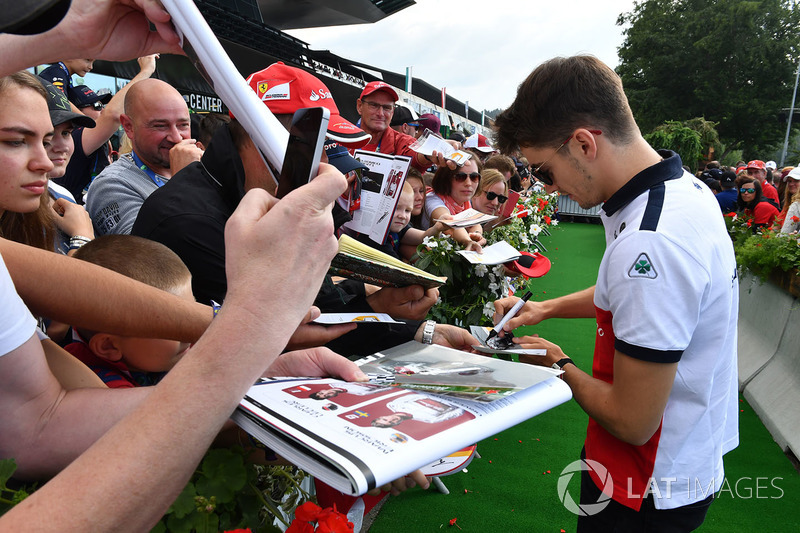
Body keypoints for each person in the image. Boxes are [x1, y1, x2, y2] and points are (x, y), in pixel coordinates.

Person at [492, 55, 738, 531]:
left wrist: (558, 365)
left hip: (645, 478)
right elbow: (627, 294)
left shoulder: (652, 240)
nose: (548, 186)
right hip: (676, 456)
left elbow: (632, 421)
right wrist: (545, 308)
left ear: (584, 143)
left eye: (543, 172)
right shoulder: (681, 189)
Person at [132, 62, 477, 356]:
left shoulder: (266, 196)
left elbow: (314, 305)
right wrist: (380, 310)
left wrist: (416, 329)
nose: (333, 177)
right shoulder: (188, 223)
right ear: (260, 138)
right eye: (319, 152)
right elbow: (280, 332)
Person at [65, 235, 194, 387]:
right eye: (173, 326)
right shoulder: (106, 392)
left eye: (192, 309)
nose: (190, 329)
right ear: (109, 346)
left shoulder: (145, 354)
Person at [85, 77, 202, 236]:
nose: (176, 137)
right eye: (160, 126)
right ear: (128, 127)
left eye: (183, 125)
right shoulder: (112, 185)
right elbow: (147, 254)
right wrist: (185, 181)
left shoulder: (202, 169)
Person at [55, 55, 157, 202]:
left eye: (102, 105)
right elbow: (113, 115)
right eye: (96, 106)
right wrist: (147, 70)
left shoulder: (91, 143)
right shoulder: (74, 138)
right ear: (76, 110)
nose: (102, 110)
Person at [355, 81, 455, 172]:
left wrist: (430, 152)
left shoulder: (401, 142)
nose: (380, 113)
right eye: (374, 105)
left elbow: (415, 155)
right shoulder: (342, 138)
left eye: (387, 108)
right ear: (359, 106)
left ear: (392, 111)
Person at [352, 181, 447, 260]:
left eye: (407, 210)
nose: (403, 216)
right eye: (396, 208)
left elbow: (422, 237)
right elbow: (398, 268)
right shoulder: (375, 237)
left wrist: (438, 227)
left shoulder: (396, 225)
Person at [423, 157, 486, 250]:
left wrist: (476, 234)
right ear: (446, 178)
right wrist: (468, 241)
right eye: (460, 177)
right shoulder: (432, 199)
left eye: (474, 177)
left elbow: (475, 224)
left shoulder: (464, 201)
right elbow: (450, 223)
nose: (468, 183)